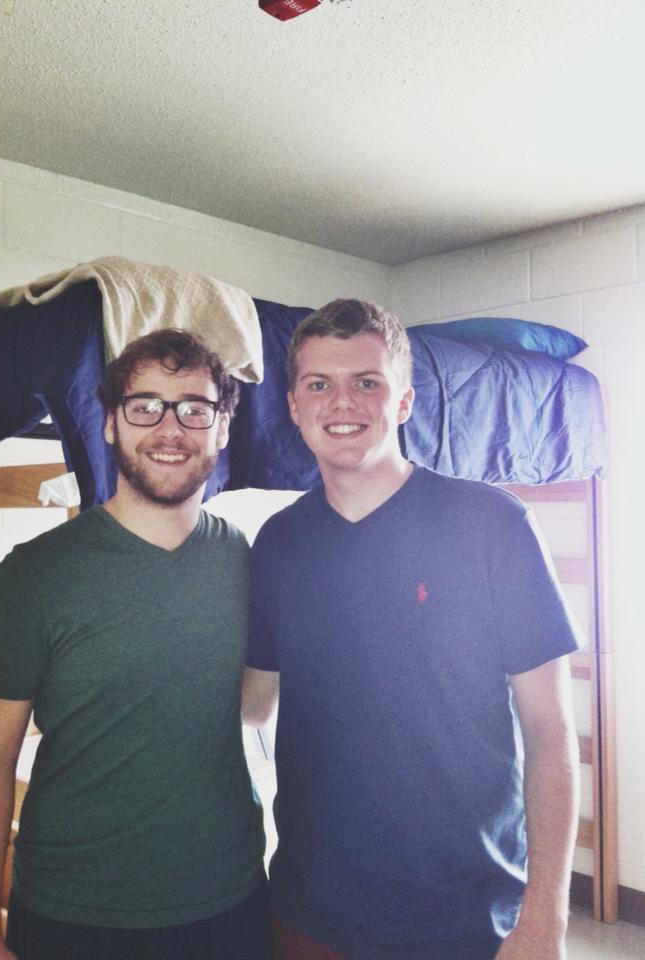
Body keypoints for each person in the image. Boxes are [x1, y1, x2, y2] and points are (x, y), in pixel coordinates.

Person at [242, 299, 582, 960]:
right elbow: (253, 702)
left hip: (468, 915)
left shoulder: (491, 526)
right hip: (313, 910)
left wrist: (545, 915)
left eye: (366, 381)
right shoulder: (278, 544)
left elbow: (549, 729)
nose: (342, 401)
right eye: (319, 384)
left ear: (401, 401)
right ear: (292, 406)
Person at [0, 329, 269, 960]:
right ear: (109, 425)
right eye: (145, 405)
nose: (170, 427)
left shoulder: (244, 559)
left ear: (223, 428)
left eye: (194, 408)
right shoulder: (33, 576)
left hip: (230, 905)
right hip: (75, 919)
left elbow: (254, 707)